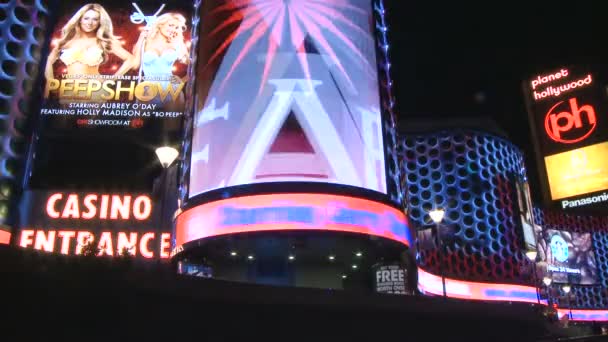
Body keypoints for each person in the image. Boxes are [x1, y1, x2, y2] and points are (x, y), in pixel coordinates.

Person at [44, 3, 136, 100]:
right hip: (68, 91)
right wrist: (51, 82)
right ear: (80, 20)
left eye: (95, 19)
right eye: (86, 18)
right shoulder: (66, 41)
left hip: (94, 91)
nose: (90, 23)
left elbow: (130, 59)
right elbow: (49, 60)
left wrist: (111, 80)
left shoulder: (103, 42)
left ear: (100, 22)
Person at [131, 12, 190, 107]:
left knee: (171, 121)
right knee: (136, 121)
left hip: (172, 91)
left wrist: (181, 81)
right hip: (148, 91)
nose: (173, 30)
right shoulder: (145, 40)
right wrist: (140, 38)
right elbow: (135, 65)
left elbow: (193, 67)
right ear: (160, 24)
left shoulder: (176, 43)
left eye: (176, 27)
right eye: (171, 25)